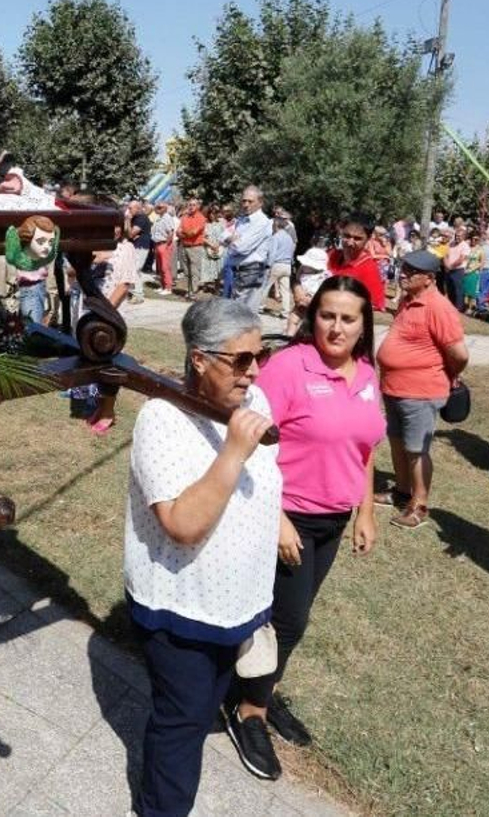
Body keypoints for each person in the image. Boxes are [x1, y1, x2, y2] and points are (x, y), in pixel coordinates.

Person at [125, 297, 281, 811]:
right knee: (183, 722)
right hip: (183, 606)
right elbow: (182, 524)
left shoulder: (253, 401)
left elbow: (268, 475)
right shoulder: (161, 418)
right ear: (199, 359)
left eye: (261, 355)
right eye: (240, 360)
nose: (254, 371)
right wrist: (234, 451)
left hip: (236, 600)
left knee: (201, 708)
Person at [228, 277, 382, 779]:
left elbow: (365, 449)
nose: (336, 327)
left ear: (364, 326)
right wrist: (277, 518)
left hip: (333, 520)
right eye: (327, 315)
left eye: (348, 318)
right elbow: (250, 445)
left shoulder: (366, 374)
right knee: (286, 621)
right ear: (312, 316)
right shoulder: (289, 368)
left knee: (290, 618)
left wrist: (366, 511)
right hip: (286, 514)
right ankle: (248, 712)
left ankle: (261, 693)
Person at [374, 250, 468, 528]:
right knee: (397, 441)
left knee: (416, 449)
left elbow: (459, 354)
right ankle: (402, 491)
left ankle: (420, 504)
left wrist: (449, 374)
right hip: (393, 387)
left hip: (421, 391)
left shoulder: (438, 307)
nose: (403, 274)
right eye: (403, 268)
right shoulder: (408, 300)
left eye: (411, 271)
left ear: (429, 278)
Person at [322, 213, 386, 311]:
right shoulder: (331, 255)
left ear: (368, 239)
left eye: (357, 238)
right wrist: (298, 289)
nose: (350, 242)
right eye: (347, 236)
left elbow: (375, 305)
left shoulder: (369, 269)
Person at [226, 187, 273, 313]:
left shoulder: (262, 222)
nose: (246, 204)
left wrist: (231, 241)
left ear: (260, 203)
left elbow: (242, 248)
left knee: (245, 317)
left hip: (251, 271)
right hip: (237, 272)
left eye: (250, 201)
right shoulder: (241, 220)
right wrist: (232, 240)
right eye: (244, 201)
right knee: (236, 314)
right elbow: (222, 236)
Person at [176, 199, 208, 296]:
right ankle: (189, 290)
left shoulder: (201, 218)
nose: (191, 206)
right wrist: (186, 234)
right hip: (184, 246)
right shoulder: (184, 217)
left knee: (195, 271)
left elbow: (194, 232)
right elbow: (178, 232)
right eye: (189, 205)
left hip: (195, 247)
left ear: (198, 206)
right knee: (186, 271)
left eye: (193, 205)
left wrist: (184, 233)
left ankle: (193, 292)